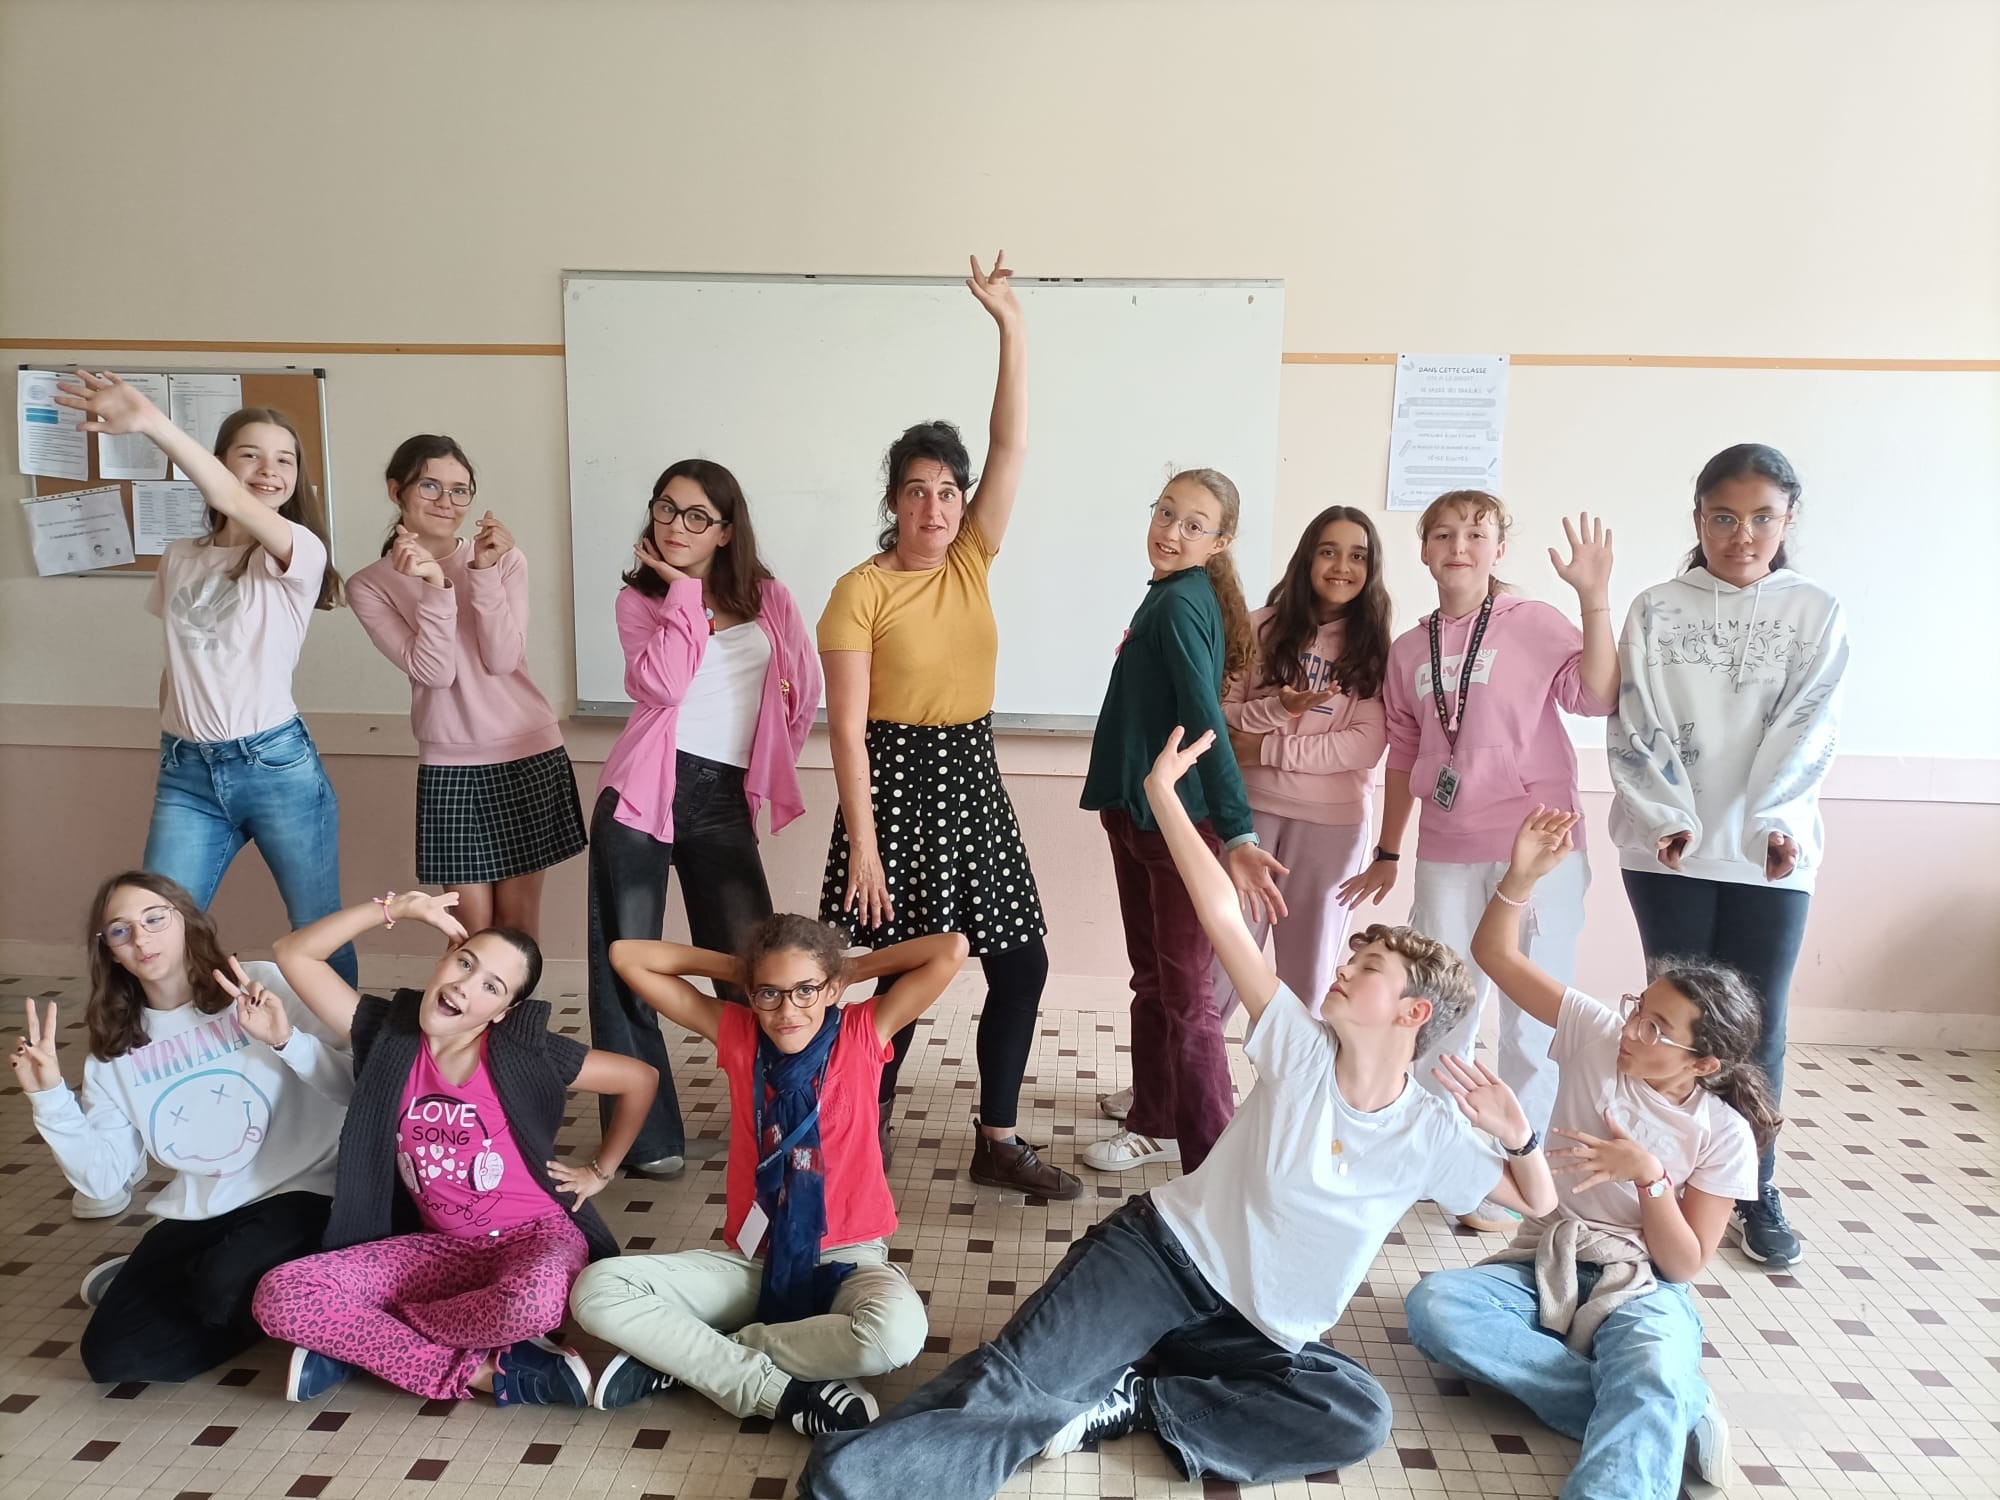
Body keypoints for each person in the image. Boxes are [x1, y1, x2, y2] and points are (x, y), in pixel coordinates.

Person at [797, 729, 1555, 1500]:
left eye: (1367, 970)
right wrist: (1162, 796)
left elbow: (1534, 1201)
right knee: (1024, 1391)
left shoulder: (1430, 1133)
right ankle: (846, 1486)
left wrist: (1519, 1136)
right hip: (1159, 1260)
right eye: (1352, 958)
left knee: (1355, 1412)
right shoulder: (1301, 1049)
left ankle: (1137, 1399)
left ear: (1413, 1012)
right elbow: (1223, 918)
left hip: (1251, 1334)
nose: (1342, 970)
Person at [1407, 807, 1780, 1498]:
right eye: (1639, 1010)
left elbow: (1683, 1264)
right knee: (1437, 1308)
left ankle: (1648, 1409)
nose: (1633, 1030)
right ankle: (1672, 1412)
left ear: (1702, 1063)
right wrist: (1519, 880)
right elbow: (1496, 957)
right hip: (1546, 1254)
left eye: (1657, 1029)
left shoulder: (1724, 1133)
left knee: (1651, 1362)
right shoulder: (1597, 1032)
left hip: (1642, 1284)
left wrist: (1650, 1179)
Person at [817, 253, 1076, 1198]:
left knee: (1021, 964)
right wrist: (865, 847)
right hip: (892, 785)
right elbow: (847, 732)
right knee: (903, 980)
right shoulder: (859, 591)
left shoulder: (969, 560)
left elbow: (1011, 446)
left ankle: (996, 1139)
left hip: (972, 773)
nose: (935, 505)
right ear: (893, 500)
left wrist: (1010, 323)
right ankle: (858, 1137)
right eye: (917, 489)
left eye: (948, 490)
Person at [252, 889, 657, 1407]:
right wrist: (395, 910)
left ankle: (363, 1339)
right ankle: (485, 1372)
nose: (466, 985)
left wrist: (600, 1170)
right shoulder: (387, 1034)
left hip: (535, 1240)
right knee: (281, 1295)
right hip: (442, 1251)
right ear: (445, 957)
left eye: (492, 986)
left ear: (504, 1011)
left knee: (535, 1304)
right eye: (465, 963)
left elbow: (639, 1079)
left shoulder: (524, 1051)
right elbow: (292, 954)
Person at [569, 920, 966, 1434]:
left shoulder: (863, 1031)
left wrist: (846, 970)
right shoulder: (739, 1034)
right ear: (752, 994)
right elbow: (627, 955)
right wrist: (743, 970)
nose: (788, 1011)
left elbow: (950, 949)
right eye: (770, 994)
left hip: (851, 1259)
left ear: (831, 989)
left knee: (895, 1336)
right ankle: (773, 1387)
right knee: (597, 1290)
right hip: (756, 1262)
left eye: (806, 990)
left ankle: (709, 1356)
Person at [1342, 492, 1616, 1229]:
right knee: (1440, 1009)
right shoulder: (1410, 648)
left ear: (1498, 549)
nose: (1459, 545)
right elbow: (1404, 755)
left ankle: (1522, 1172)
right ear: (1424, 551)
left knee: (1532, 1021)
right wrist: (1389, 848)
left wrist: (1594, 599)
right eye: (1443, 534)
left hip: (1541, 845)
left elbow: (1596, 695)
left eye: (1476, 533)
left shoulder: (1535, 621)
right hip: (1449, 849)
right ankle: (1440, 1156)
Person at [1608, 443, 1845, 1271]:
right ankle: (1661, 1176)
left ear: (1788, 520)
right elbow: (1635, 721)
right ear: (1699, 518)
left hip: (1773, 856)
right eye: (1724, 517)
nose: (1742, 535)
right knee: (1669, 1025)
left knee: (1759, 1024)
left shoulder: (1816, 611)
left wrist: (1774, 822)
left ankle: (1754, 1187)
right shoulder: (1656, 608)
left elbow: (1813, 726)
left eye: (1762, 518)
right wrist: (1666, 817)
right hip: (1666, 851)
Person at [55, 372, 355, 986]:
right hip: (187, 770)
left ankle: (348, 1046)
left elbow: (236, 502)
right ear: (222, 461)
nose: (269, 470)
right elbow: (178, 663)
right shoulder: (181, 556)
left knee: (317, 927)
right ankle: (151, 1043)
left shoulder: (297, 551)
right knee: (149, 923)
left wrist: (149, 421)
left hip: (276, 767)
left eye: (285, 459)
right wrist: (173, 733)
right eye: (250, 455)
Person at [12, 872, 347, 1379]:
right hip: (204, 1212)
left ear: (186, 920)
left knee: (221, 1289)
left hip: (304, 1190)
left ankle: (300, 1306)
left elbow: (354, 1087)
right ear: (110, 952)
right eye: (121, 930)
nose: (141, 938)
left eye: (154, 919)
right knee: (109, 1356)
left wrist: (286, 1041)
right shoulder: (115, 1050)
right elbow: (103, 1180)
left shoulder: (259, 983)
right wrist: (50, 1099)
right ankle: (251, 1293)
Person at [587, 457, 820, 1181]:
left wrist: (766, 763)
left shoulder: (767, 597)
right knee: (626, 963)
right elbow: (661, 685)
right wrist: (683, 593)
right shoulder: (640, 602)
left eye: (696, 516)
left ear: (725, 530)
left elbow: (804, 688)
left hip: (721, 798)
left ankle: (776, 1110)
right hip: (643, 796)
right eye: (665, 508)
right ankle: (647, 1137)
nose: (675, 525)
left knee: (755, 964)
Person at [1077, 469, 1286, 1175]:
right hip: (1140, 817)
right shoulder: (1170, 594)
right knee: (1155, 981)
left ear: (1220, 541)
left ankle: (1211, 1163)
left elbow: (1206, 722)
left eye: (1193, 524)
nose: (1171, 531)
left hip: (1175, 825)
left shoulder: (1179, 603)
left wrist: (1239, 832)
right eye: (1165, 513)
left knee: (1187, 995)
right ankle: (1157, 1115)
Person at [347, 434, 586, 940]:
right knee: (469, 933)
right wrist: (435, 587)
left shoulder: (503, 560)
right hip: (451, 764)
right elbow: (435, 672)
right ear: (396, 491)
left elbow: (502, 659)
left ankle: (521, 1001)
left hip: (527, 752)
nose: (446, 502)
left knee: (517, 931)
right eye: (429, 486)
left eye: (460, 490)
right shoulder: (369, 584)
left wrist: (482, 572)